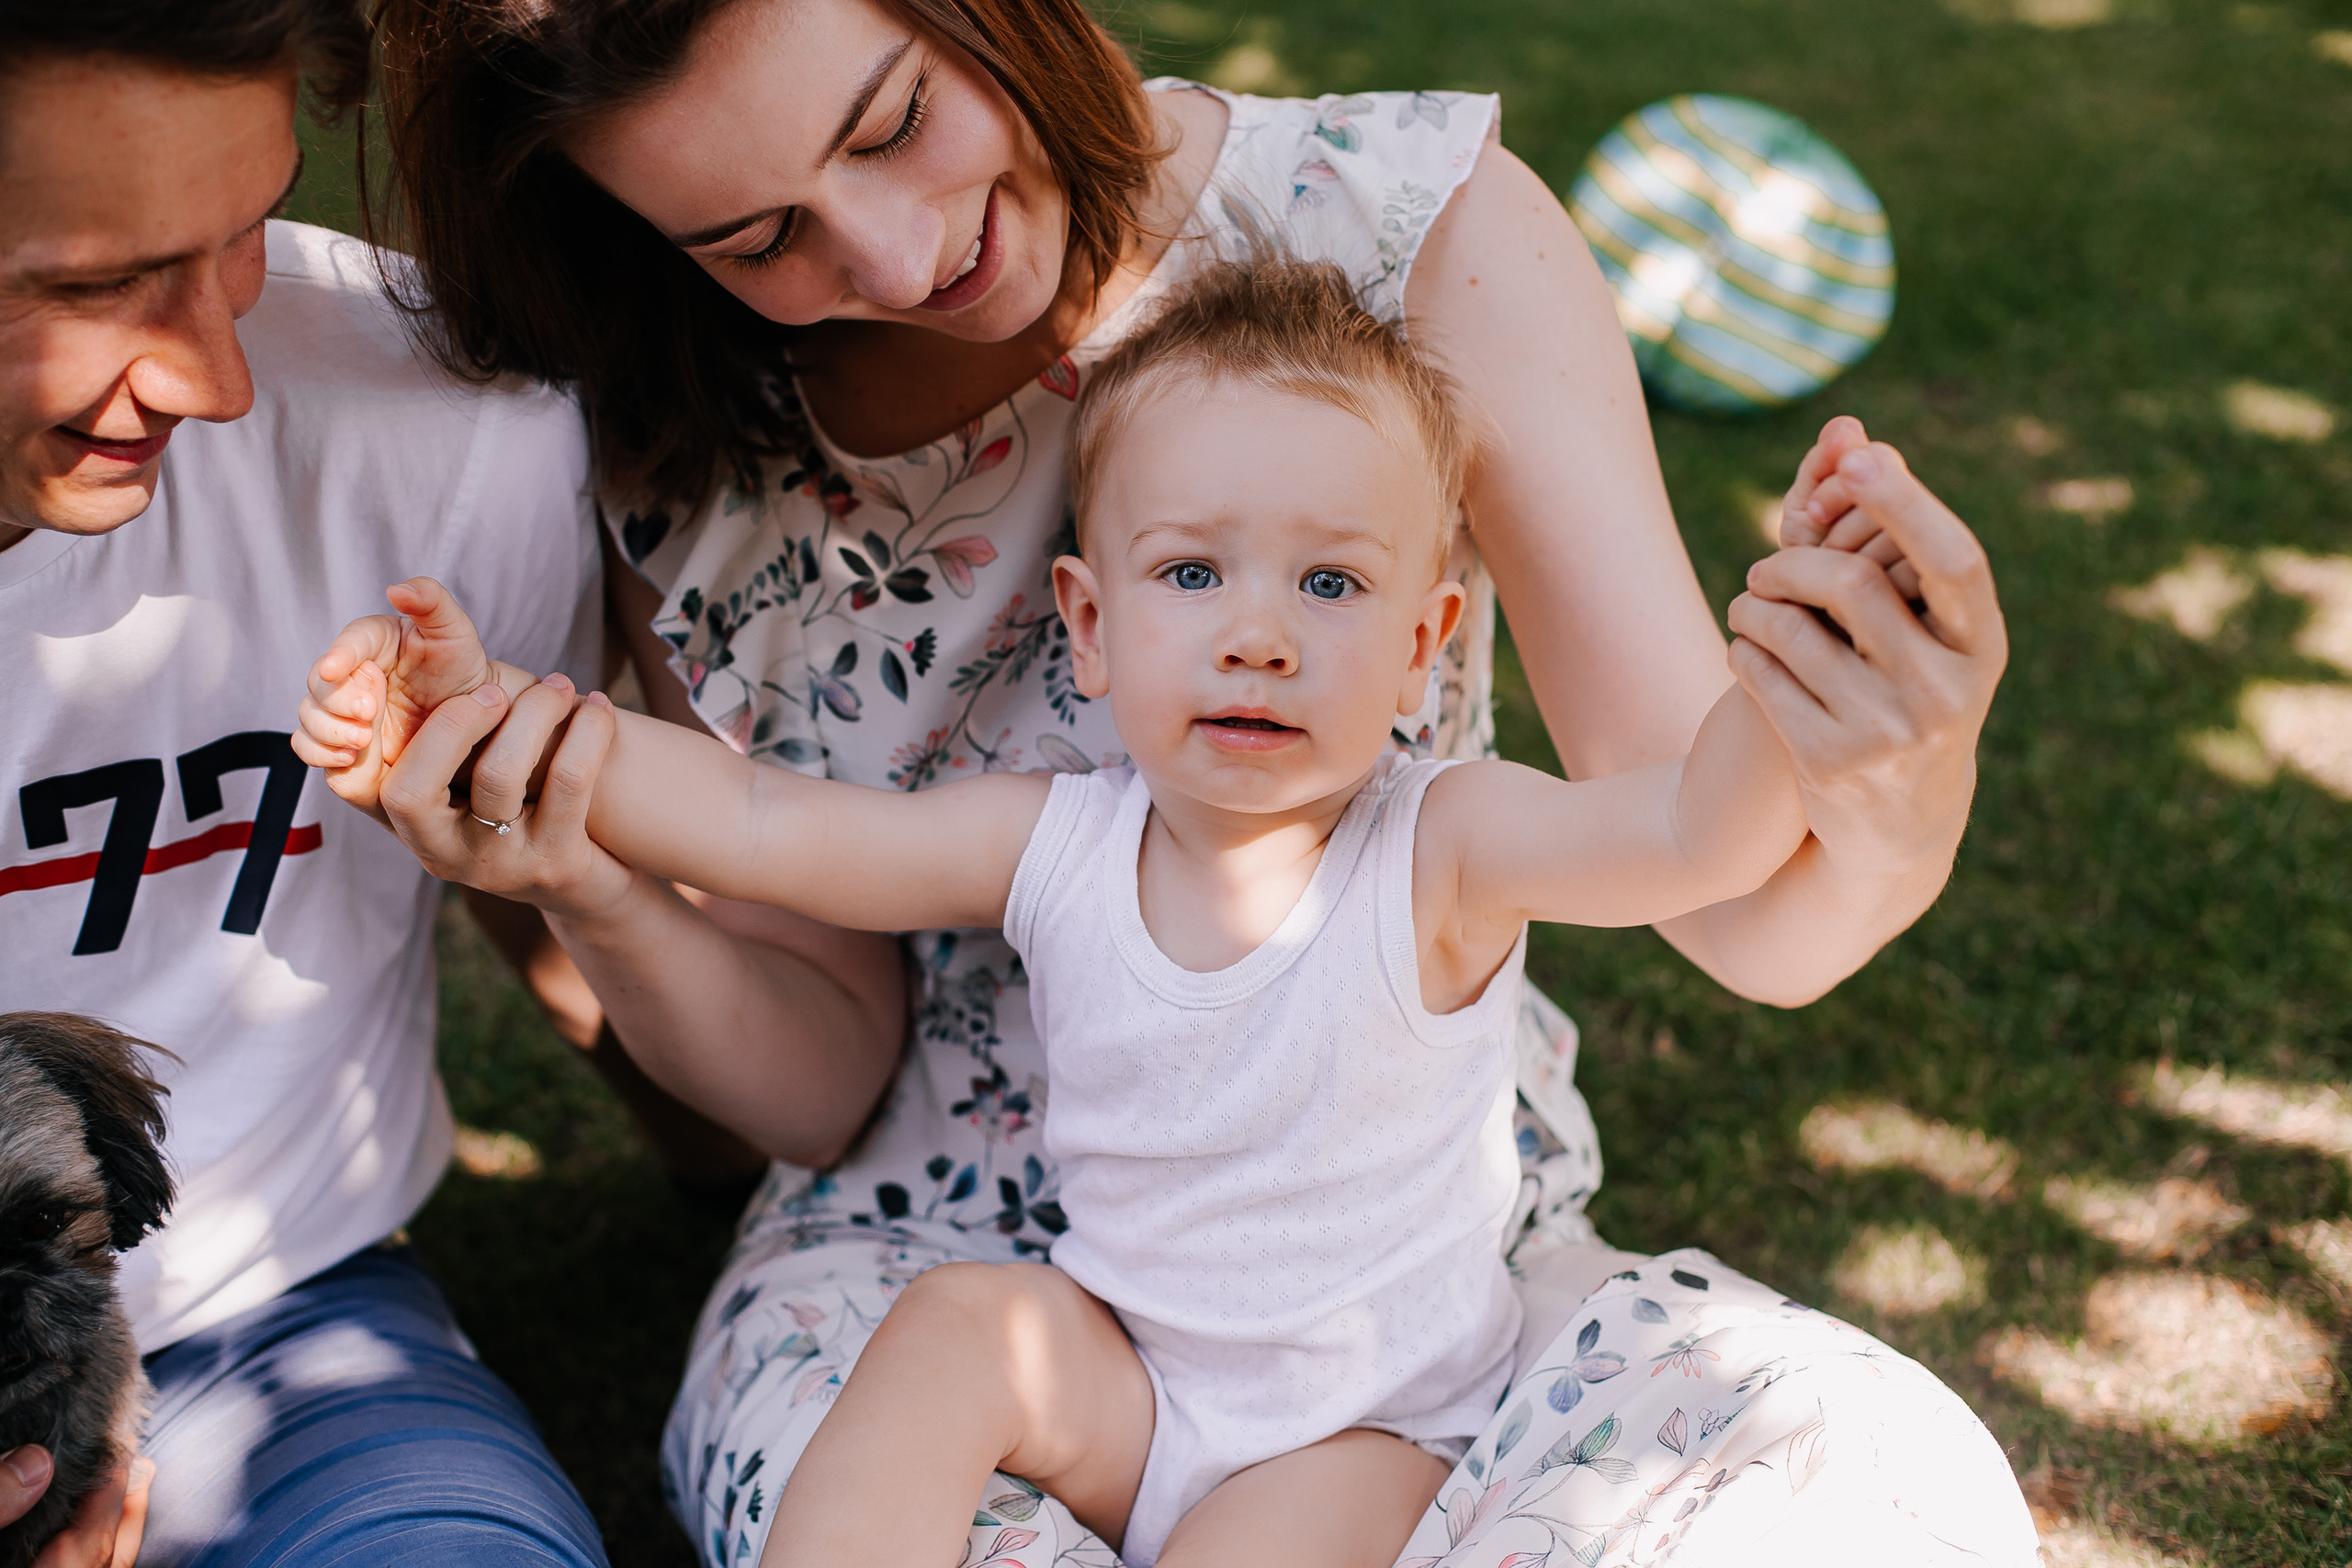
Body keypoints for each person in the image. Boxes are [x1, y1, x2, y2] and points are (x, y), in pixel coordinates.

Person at [356, 0, 2030, 1561]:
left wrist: (1856, 707)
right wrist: (555, 796)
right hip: (953, 1270)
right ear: (1085, 619)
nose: (895, 250)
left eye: (893, 123)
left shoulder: (1403, 255)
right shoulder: (707, 449)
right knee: (935, 1392)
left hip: (1401, 1321)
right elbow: (781, 859)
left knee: (1861, 1472)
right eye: (757, 237)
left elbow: (1708, 856)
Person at [0, 2, 904, 1561]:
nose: (220, 382)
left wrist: (708, 1156)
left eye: (246, 232)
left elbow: (531, 887)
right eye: (93, 284)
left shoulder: (437, 430)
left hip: (274, 1335)